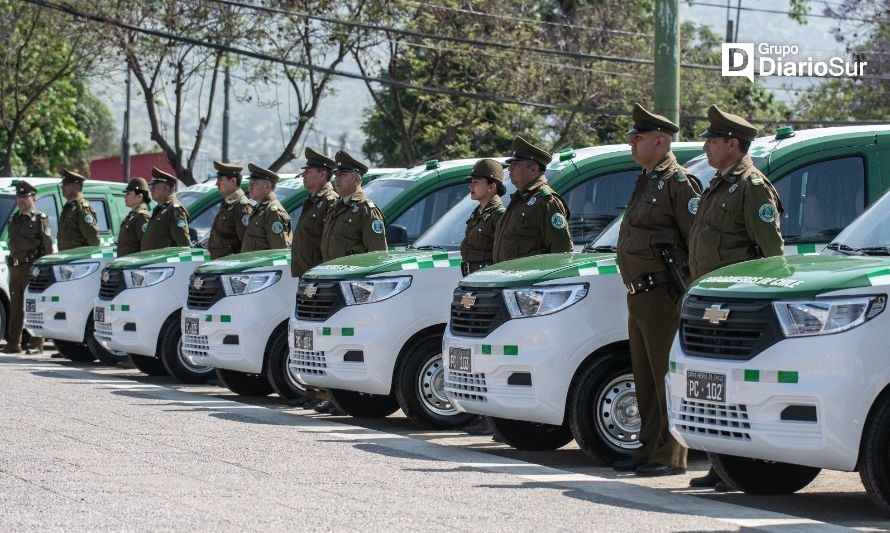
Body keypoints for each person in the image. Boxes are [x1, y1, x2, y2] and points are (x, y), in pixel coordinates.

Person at [686, 104, 784, 490]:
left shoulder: (751, 186)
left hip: (736, 309)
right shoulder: (718, 182)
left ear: (733, 143)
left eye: (713, 139)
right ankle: (720, 465)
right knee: (710, 387)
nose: (706, 145)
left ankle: (737, 467)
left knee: (735, 389)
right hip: (708, 304)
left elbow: (771, 256)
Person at [612, 104, 701, 477]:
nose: (632, 142)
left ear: (661, 141)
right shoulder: (646, 180)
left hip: (665, 293)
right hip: (639, 294)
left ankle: (671, 454)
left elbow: (695, 241)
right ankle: (649, 446)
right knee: (646, 377)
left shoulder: (679, 183)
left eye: (639, 137)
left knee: (667, 375)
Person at [491, 136, 572, 262]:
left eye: (515, 164)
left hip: (529, 280)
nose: (510, 168)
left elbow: (562, 252)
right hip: (508, 278)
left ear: (533, 169)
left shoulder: (546, 201)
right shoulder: (520, 199)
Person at [4, 181, 53, 355]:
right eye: (19, 197)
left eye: (25, 197)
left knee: (33, 306)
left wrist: (44, 270)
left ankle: (36, 343)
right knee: (16, 306)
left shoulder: (40, 218)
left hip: (32, 268)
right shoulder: (15, 219)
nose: (21, 200)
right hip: (16, 268)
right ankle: (13, 342)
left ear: (33, 198)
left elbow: (47, 247)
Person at [319, 150, 386, 261]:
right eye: (336, 174)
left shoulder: (366, 210)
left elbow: (378, 255)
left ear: (356, 179)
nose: (337, 178)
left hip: (352, 277)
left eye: (343, 174)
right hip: (331, 274)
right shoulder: (336, 206)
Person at [291, 148, 339, 278]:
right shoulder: (313, 200)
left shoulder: (330, 201)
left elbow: (331, 243)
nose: (303, 175)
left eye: (308, 171)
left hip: (319, 275)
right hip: (306, 274)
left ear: (322, 174)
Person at [460, 158, 506, 276]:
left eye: (476, 182)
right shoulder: (477, 213)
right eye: (471, 182)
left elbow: (502, 256)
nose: (471, 187)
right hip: (474, 279)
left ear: (491, 187)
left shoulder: (499, 215)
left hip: (489, 280)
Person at [240, 163, 291, 252]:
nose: (250, 187)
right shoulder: (260, 208)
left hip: (262, 266)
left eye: (254, 184)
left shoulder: (273, 212)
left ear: (268, 187)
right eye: (250, 184)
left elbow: (279, 251)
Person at [207, 161, 253, 259]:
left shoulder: (241, 206)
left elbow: (246, 243)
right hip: (220, 263)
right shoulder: (228, 203)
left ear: (233, 181)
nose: (217, 184)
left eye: (220, 179)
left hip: (230, 265)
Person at [142, 168, 191, 251]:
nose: (151, 190)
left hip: (163, 262)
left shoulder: (175, 209)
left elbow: (184, 244)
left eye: (155, 187)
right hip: (152, 261)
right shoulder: (161, 209)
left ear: (166, 188)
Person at [57, 169, 100, 251]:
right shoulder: (68, 207)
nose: (62, 187)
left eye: (66, 184)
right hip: (66, 257)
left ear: (77, 187)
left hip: (77, 258)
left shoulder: (82, 207)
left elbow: (92, 237)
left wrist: (87, 256)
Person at [116, 178, 151, 257]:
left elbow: (146, 246)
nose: (125, 196)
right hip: (126, 263)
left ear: (139, 196)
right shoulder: (133, 215)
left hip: (133, 266)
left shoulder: (142, 216)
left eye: (128, 193)